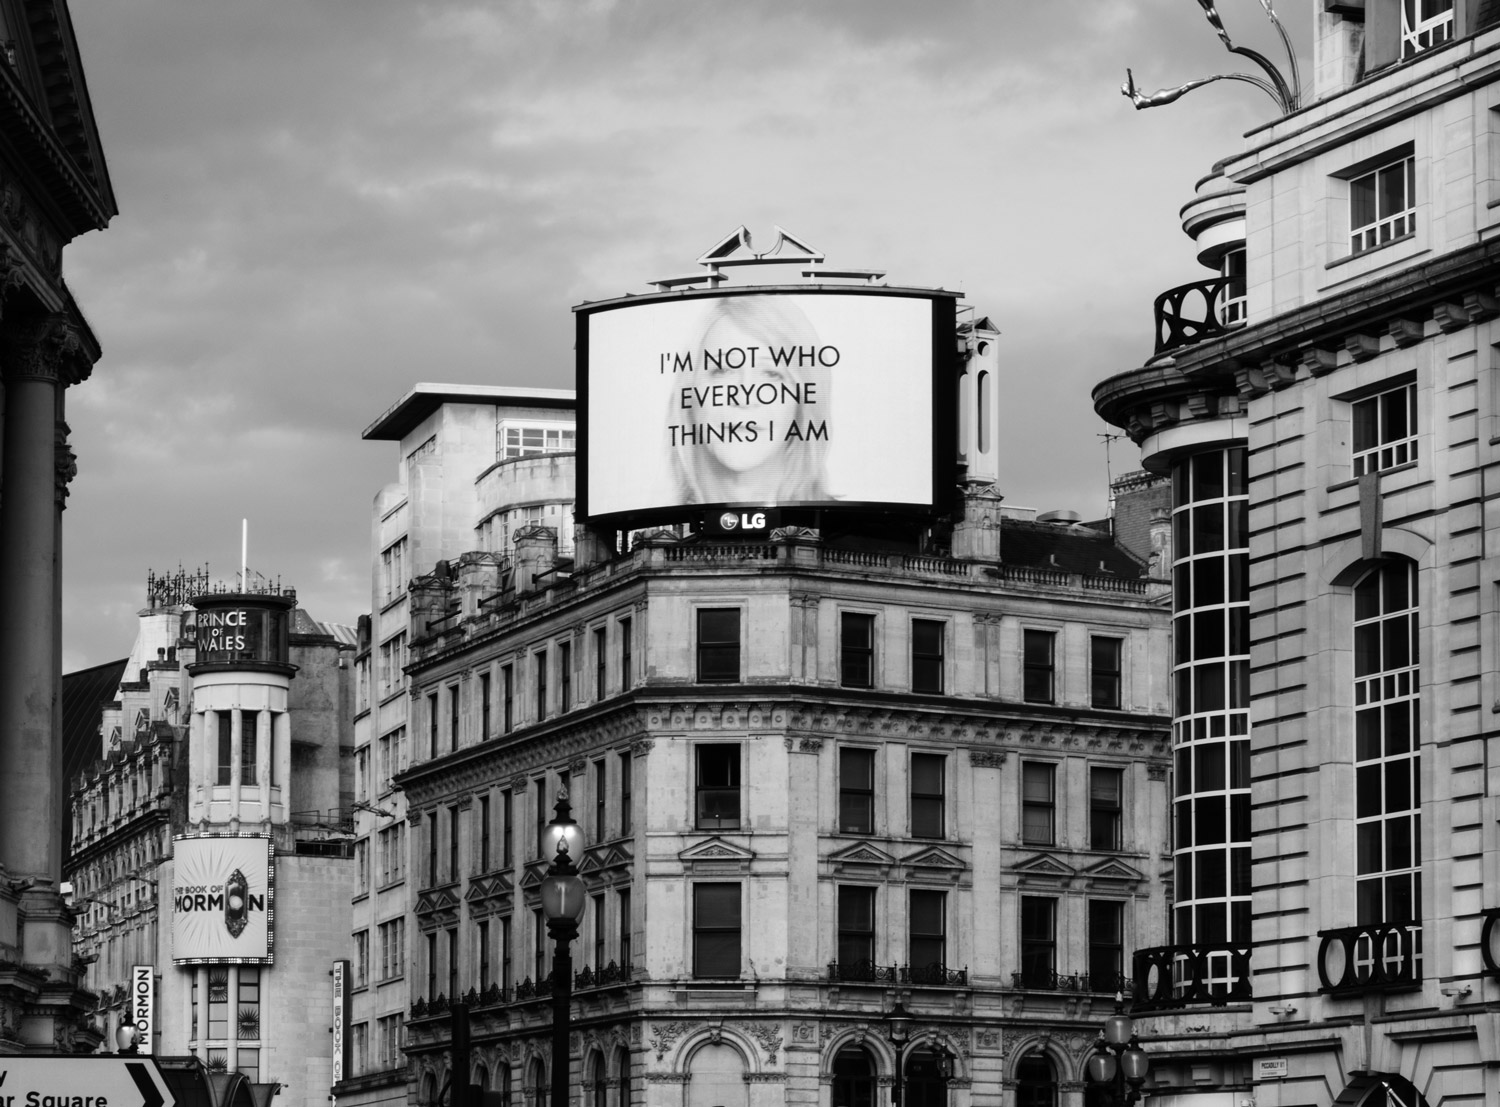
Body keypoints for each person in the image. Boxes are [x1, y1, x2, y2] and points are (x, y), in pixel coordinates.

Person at [669, 294, 834, 505]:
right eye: (723, 370)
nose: (744, 396)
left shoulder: (857, 524)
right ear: (690, 392)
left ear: (802, 403)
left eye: (772, 374)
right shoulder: (652, 521)